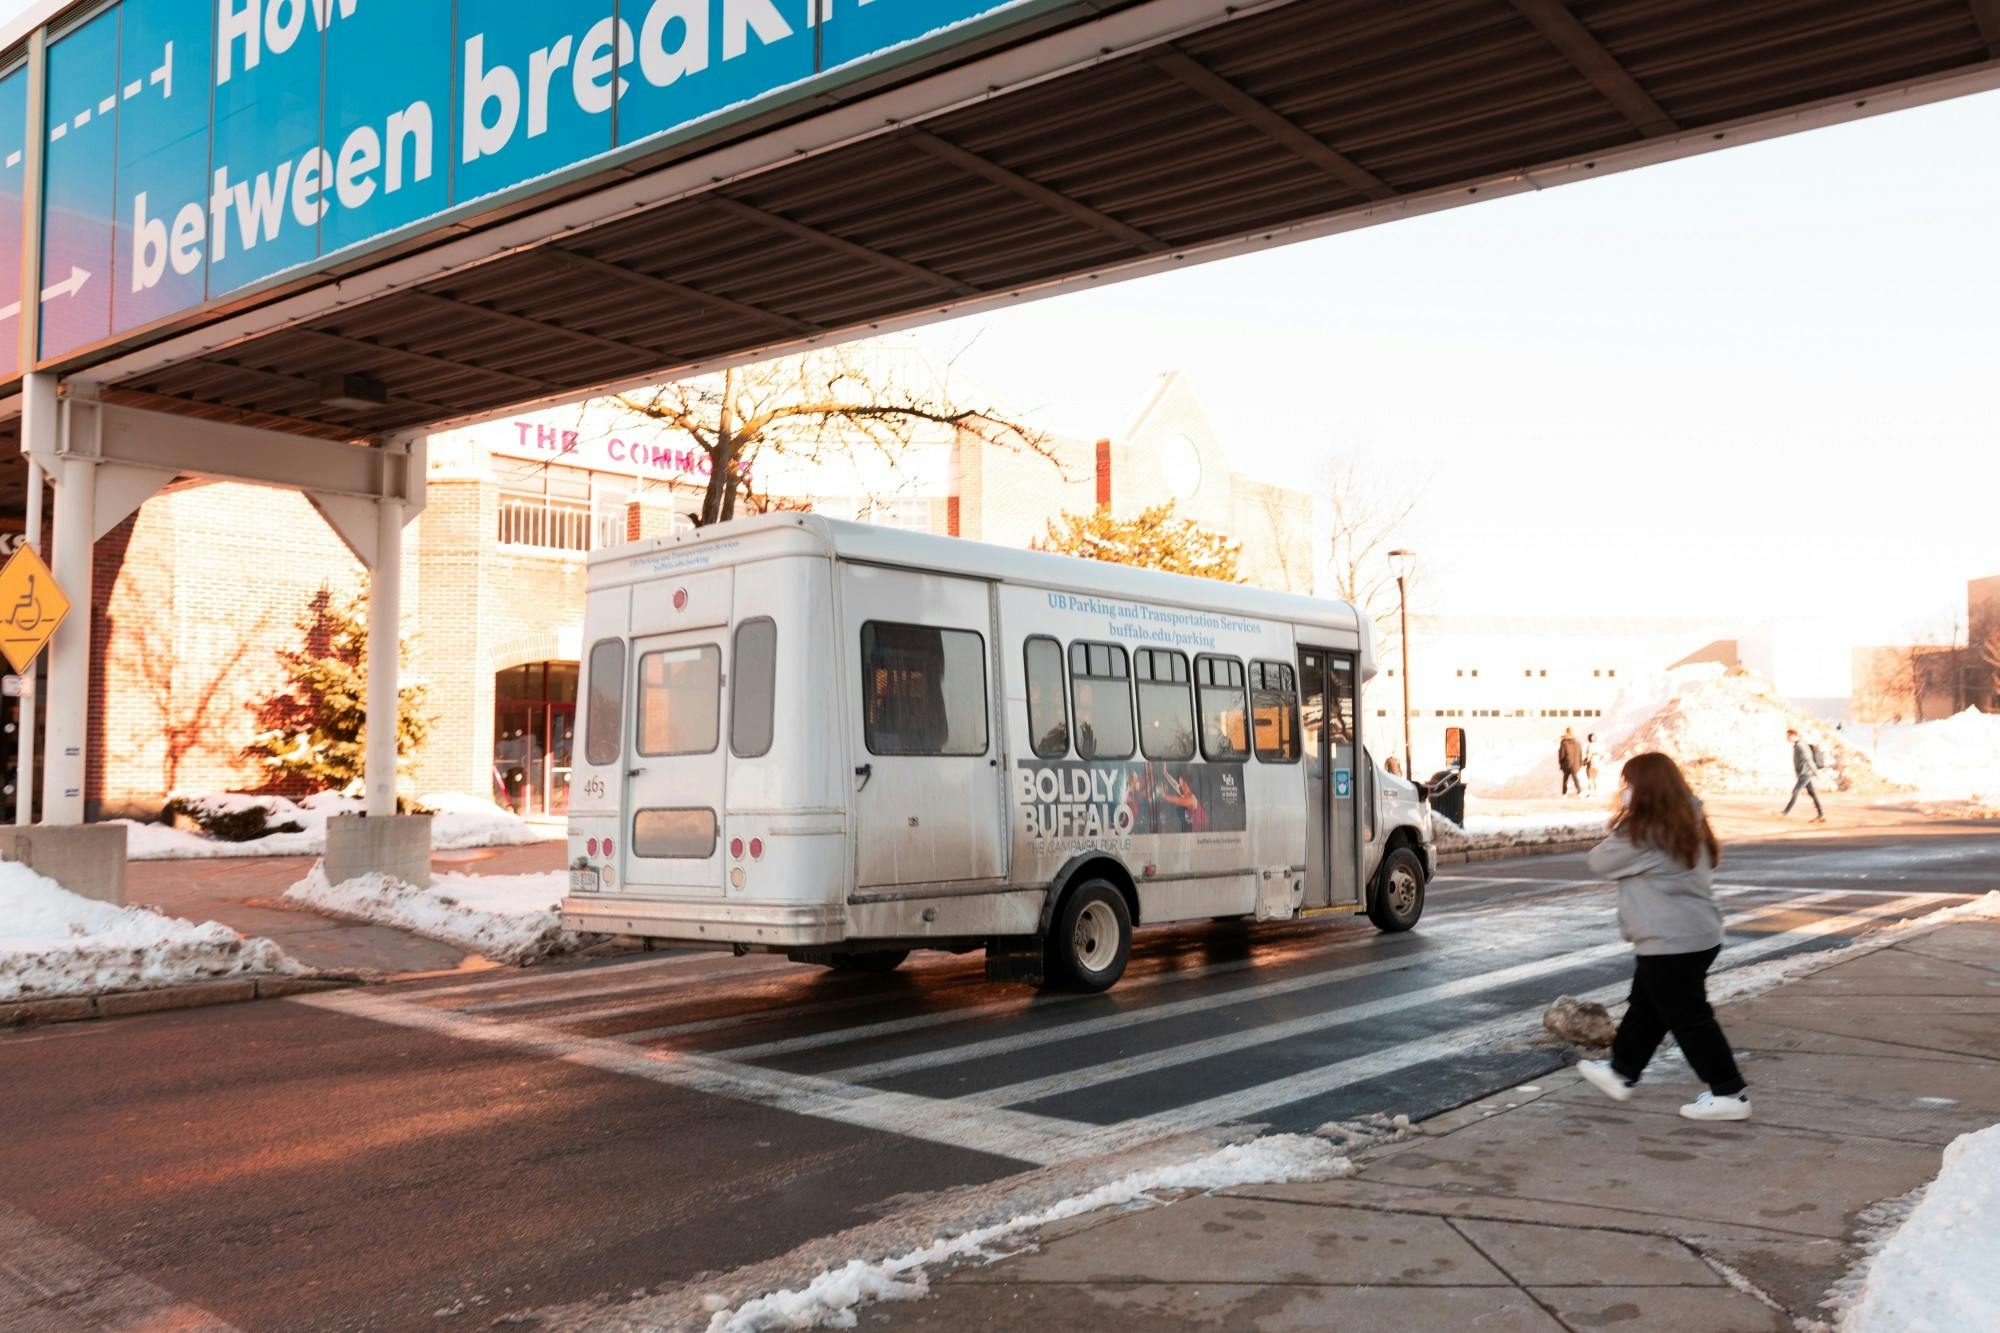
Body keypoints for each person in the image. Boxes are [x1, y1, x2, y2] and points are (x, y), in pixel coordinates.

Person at [1575, 752, 1750, 1121]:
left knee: (1690, 1019)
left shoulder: (1650, 832)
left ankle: (1729, 1093)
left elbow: (1600, 861)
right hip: (1692, 935)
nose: (1625, 791)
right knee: (1648, 1006)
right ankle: (1622, 1073)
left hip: (1671, 940)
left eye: (1630, 785)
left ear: (1645, 789)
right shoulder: (1687, 820)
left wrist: (1627, 818)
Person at [1780, 727, 1825, 823]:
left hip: (1806, 773)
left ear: (1794, 735)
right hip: (1804, 773)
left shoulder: (1801, 745)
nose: (1787, 738)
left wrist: (1814, 772)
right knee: (1812, 794)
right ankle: (1821, 815)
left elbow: (1808, 759)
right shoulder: (1798, 745)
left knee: (1795, 791)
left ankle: (1785, 812)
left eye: (1788, 736)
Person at [1558, 727, 1584, 797]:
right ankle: (1580, 793)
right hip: (1575, 764)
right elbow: (1580, 754)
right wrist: (1580, 763)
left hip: (1566, 764)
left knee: (1565, 780)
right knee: (1575, 778)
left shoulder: (1564, 743)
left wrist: (1561, 763)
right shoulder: (1578, 743)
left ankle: (1564, 794)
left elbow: (1561, 755)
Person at [1583, 732, 1609, 798]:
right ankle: (1596, 792)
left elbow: (1589, 755)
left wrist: (1585, 762)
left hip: (1591, 763)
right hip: (1597, 764)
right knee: (1595, 779)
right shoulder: (1599, 745)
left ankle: (1591, 793)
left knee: (1590, 779)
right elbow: (1602, 755)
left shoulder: (1590, 746)